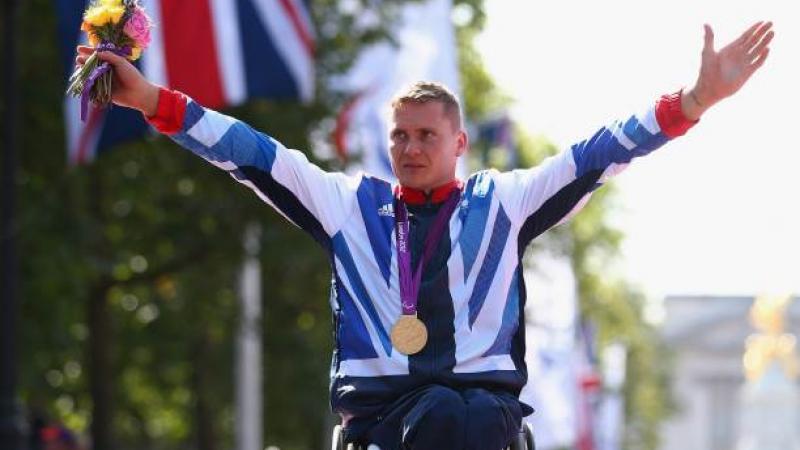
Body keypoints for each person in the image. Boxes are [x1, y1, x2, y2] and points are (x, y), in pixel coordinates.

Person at [75, 20, 773, 450]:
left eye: (427, 136)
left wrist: (693, 102)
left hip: (484, 420)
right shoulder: (349, 205)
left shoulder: (504, 201)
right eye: (400, 136)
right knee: (439, 413)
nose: (411, 148)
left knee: (461, 415)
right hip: (386, 425)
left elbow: (596, 156)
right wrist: (154, 102)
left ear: (460, 141)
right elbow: (254, 155)